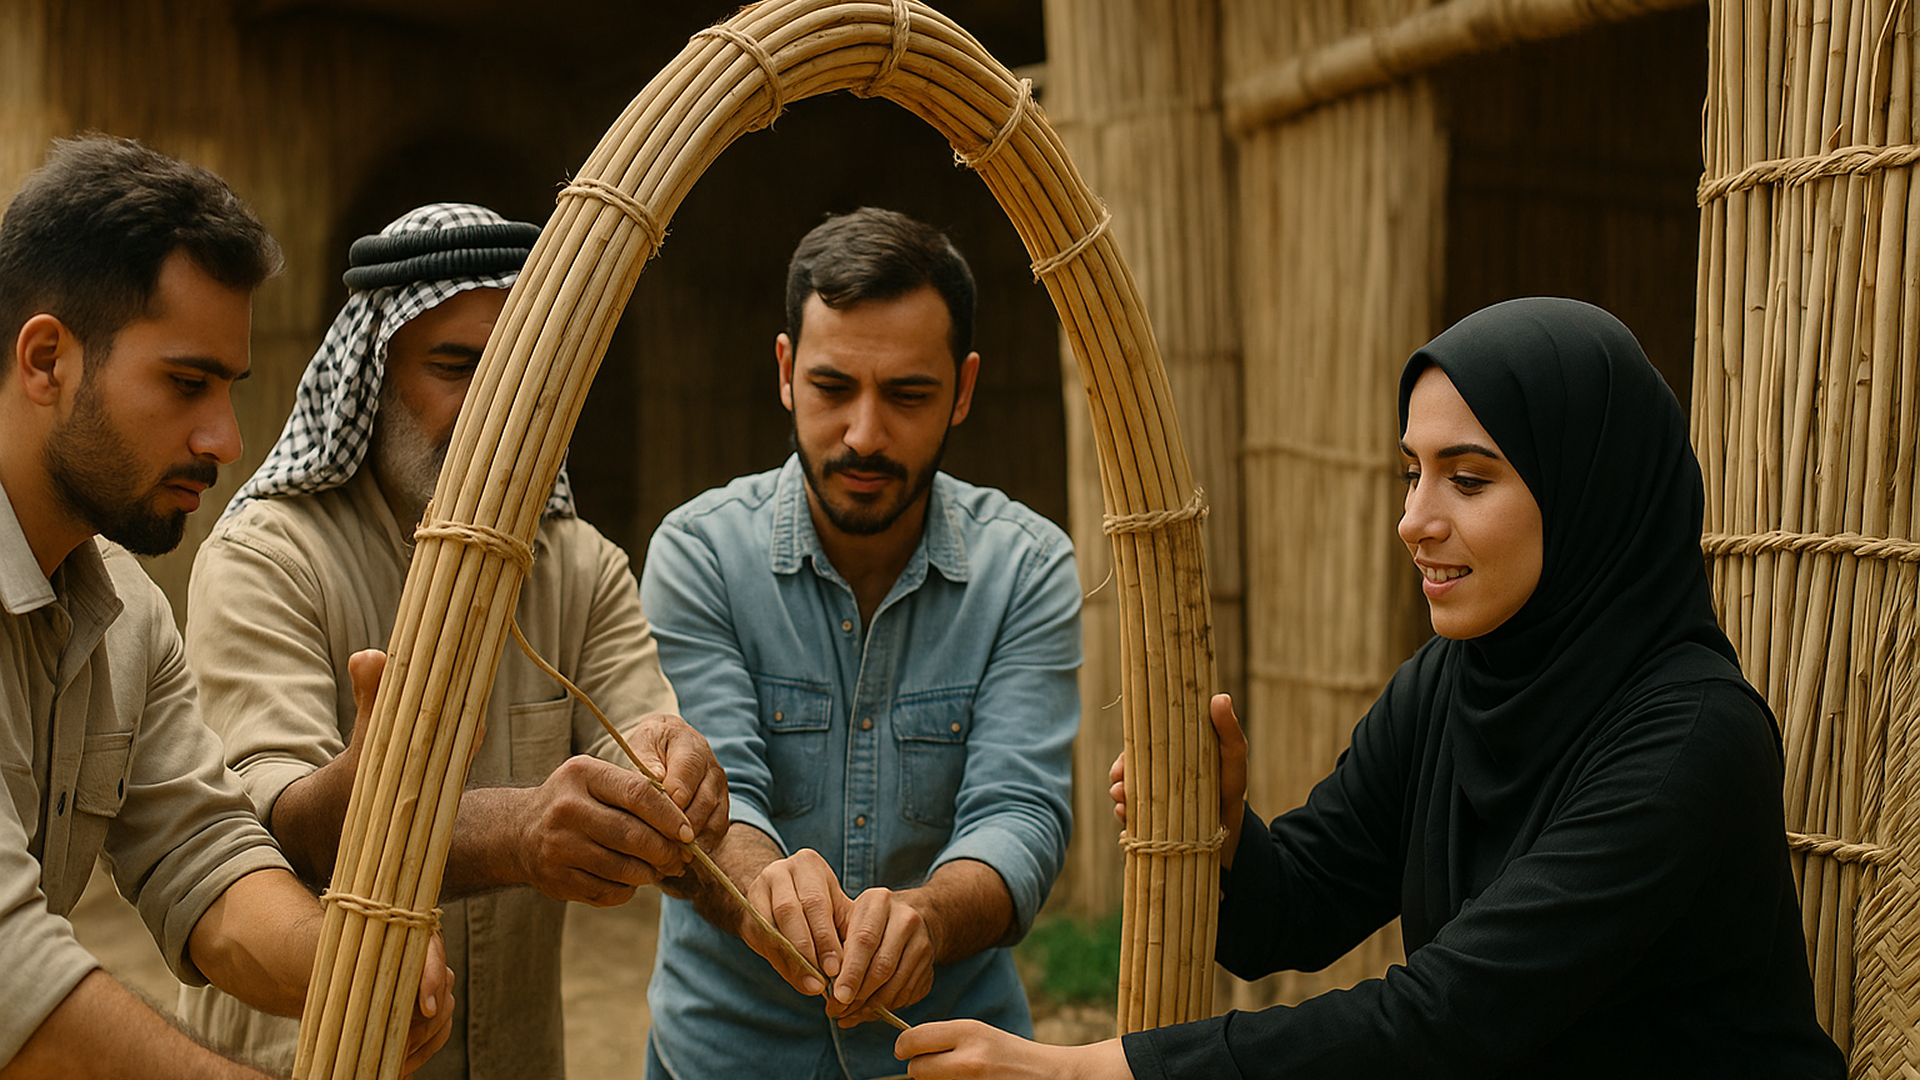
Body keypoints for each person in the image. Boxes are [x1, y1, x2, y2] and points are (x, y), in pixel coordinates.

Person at [895, 298, 1847, 1078]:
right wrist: (1226, 837)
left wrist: (1089, 1071)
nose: (1412, 521)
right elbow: (1303, 904)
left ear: (1590, 493)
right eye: (1411, 472)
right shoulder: (1451, 685)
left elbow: (1447, 1018)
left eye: (1467, 480)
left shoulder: (1692, 743)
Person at [174, 203, 728, 1080]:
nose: (491, 407)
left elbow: (651, 749)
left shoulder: (580, 566)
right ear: (372, 374)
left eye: (515, 371)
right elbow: (267, 834)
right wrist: (501, 827)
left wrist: (676, 781)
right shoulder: (265, 560)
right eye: (454, 366)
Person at [0, 135, 452, 1078]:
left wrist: (349, 966)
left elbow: (198, 856)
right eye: (185, 382)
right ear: (47, 361)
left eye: (230, 388)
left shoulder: (126, 609)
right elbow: (14, 982)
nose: (225, 437)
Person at [639, 207, 1082, 1079]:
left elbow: (1020, 812)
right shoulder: (698, 555)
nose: (865, 436)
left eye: (908, 395)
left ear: (963, 388)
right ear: (784, 372)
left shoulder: (1027, 568)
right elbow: (705, 803)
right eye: (833, 388)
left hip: (947, 1054)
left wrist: (931, 919)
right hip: (722, 1056)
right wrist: (766, 887)